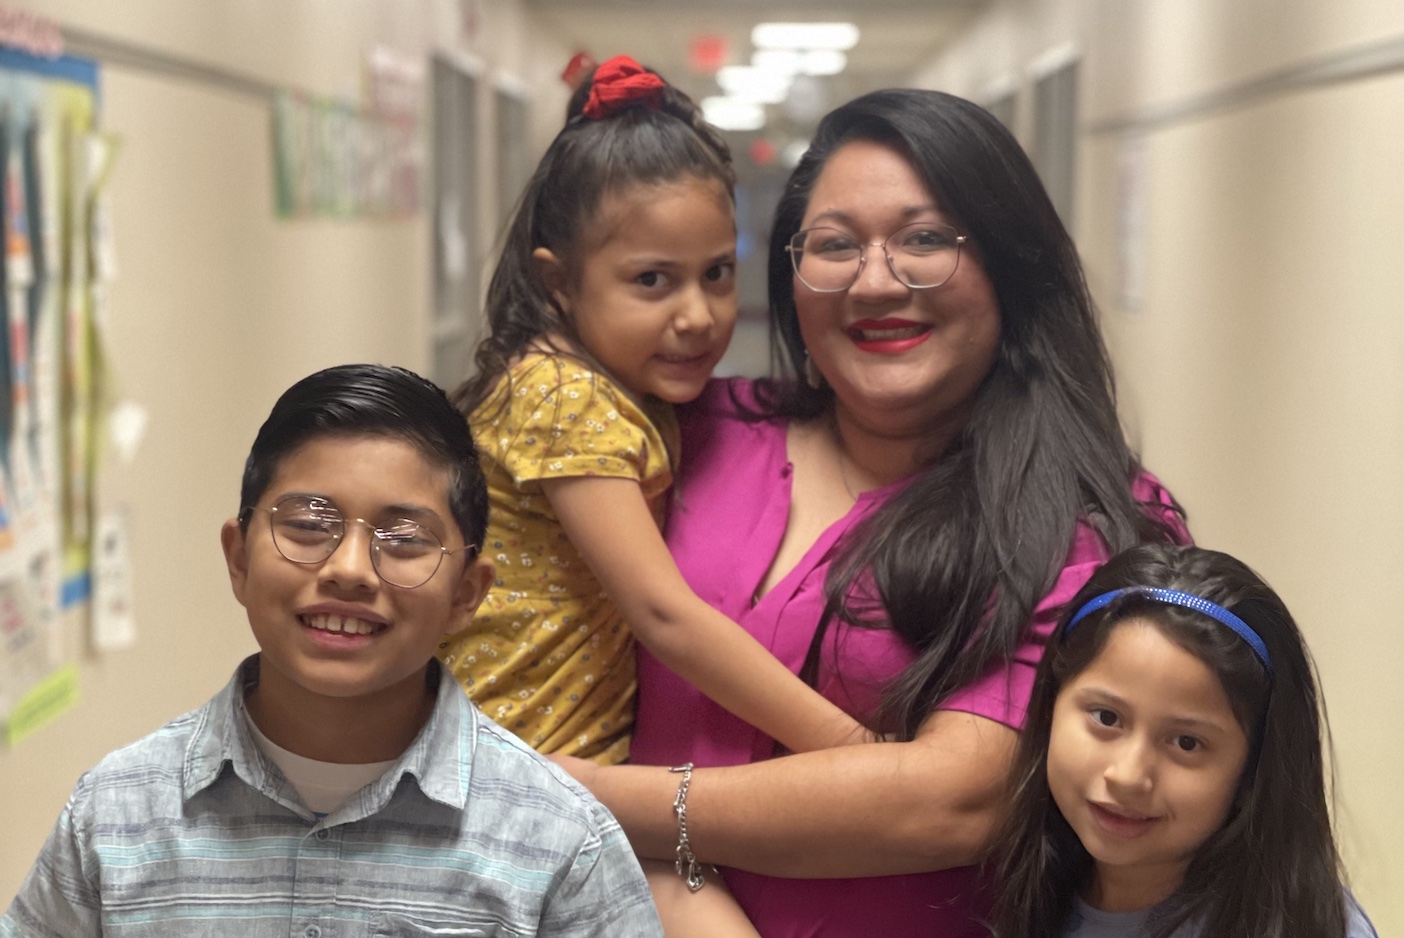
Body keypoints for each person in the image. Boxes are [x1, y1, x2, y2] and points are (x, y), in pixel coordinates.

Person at [551, 88, 1191, 937]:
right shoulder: (689, 433)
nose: (876, 282)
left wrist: (559, 797)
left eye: (925, 240)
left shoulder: (1093, 521)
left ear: (1010, 262)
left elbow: (956, 801)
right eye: (835, 245)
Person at [1, 364, 663, 937]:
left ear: (468, 591)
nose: (350, 569)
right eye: (310, 526)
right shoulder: (114, 817)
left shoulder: (560, 842)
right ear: (238, 559)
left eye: (403, 539)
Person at [437, 54, 864, 773]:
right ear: (560, 281)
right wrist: (853, 749)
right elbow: (665, 616)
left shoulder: (624, 391)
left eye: (717, 274)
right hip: (512, 777)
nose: (697, 316)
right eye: (652, 281)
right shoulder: (563, 396)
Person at [988, 543, 1378, 937]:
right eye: (1107, 718)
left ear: (1252, 770)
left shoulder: (1310, 926)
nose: (1128, 775)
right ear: (1052, 705)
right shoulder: (1024, 890)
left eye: (1186, 743)